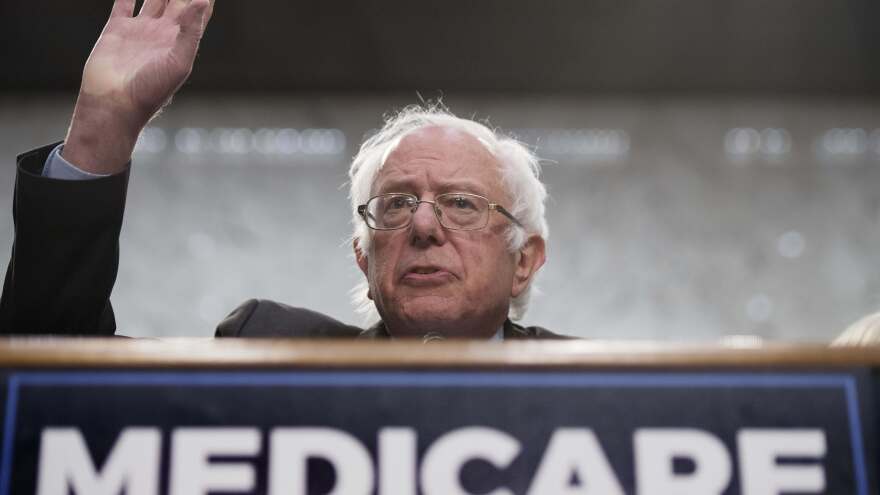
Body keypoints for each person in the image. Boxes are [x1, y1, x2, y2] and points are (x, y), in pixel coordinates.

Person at [0, 0, 567, 340]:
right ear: (364, 258)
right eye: (394, 204)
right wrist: (105, 124)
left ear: (525, 262)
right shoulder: (267, 353)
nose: (422, 226)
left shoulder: (614, 387)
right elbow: (48, 382)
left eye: (461, 204)